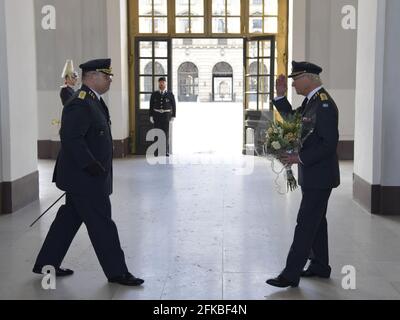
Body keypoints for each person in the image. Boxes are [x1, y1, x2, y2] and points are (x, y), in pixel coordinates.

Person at [33, 59, 144, 287]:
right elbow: (71, 138)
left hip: (84, 177)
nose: (110, 80)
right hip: (86, 178)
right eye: (107, 76)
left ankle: (47, 263)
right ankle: (117, 272)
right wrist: (90, 164)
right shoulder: (81, 103)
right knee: (102, 224)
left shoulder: (93, 100)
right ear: (92, 76)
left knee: (67, 221)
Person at [266, 61, 340, 288]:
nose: (294, 84)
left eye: (296, 79)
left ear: (309, 78)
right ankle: (320, 265)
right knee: (317, 221)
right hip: (313, 174)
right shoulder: (311, 102)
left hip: (320, 175)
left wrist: (299, 158)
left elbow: (329, 143)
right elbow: (293, 120)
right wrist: (279, 96)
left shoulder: (324, 105)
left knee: (306, 222)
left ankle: (290, 273)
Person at [149, 77, 176, 156]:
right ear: (158, 84)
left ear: (165, 83)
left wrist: (173, 116)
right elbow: (151, 106)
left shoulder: (170, 94)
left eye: (163, 82)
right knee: (157, 134)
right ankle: (157, 151)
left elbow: (174, 105)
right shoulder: (154, 94)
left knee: (166, 134)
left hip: (166, 116)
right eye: (160, 83)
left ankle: (166, 151)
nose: (161, 84)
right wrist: (151, 115)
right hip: (157, 116)